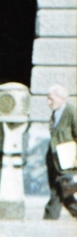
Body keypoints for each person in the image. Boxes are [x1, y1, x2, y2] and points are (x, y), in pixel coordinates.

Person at [44, 84, 76, 221]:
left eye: (51, 98)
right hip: (54, 159)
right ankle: (49, 218)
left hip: (67, 159)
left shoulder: (71, 112)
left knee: (62, 189)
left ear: (61, 98)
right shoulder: (56, 113)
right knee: (60, 191)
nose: (48, 102)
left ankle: (49, 218)